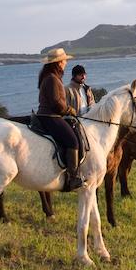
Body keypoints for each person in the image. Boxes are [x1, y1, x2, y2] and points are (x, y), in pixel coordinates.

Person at [36, 47, 85, 192]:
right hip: (50, 116)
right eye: (64, 61)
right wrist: (70, 110)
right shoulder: (52, 78)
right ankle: (73, 177)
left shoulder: (50, 76)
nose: (65, 63)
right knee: (73, 141)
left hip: (48, 115)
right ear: (58, 63)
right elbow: (57, 103)